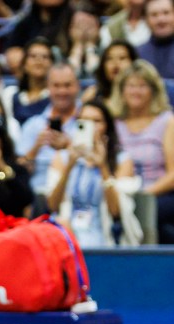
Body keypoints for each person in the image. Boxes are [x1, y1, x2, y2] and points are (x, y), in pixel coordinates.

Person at [47, 99, 138, 247]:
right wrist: (69, 166)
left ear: (107, 126)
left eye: (96, 121)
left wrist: (103, 167)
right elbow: (52, 206)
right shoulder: (62, 158)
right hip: (68, 232)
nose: (91, 127)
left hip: (105, 234)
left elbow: (116, 212)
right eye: (84, 121)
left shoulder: (122, 160)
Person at [112, 60, 174, 243]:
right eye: (131, 86)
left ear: (153, 90)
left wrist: (143, 195)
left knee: (146, 211)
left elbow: (173, 174)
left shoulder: (167, 121)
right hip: (120, 194)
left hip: (158, 192)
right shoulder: (113, 123)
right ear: (122, 90)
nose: (135, 91)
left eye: (142, 86)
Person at [16, 63, 81, 215]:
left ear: (77, 86)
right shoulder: (33, 125)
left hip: (77, 194)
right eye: (56, 86)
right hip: (38, 198)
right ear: (48, 88)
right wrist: (36, 147)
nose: (62, 91)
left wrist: (69, 145)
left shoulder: (89, 119)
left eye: (67, 85)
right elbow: (18, 172)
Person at [1, 37, 54, 126]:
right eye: (33, 56)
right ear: (24, 64)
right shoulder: (10, 94)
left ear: (52, 64)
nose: (39, 60)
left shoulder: (57, 96)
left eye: (45, 57)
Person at [81, 40, 137, 104]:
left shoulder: (140, 95)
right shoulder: (93, 96)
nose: (116, 64)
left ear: (133, 62)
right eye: (109, 58)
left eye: (122, 58)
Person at [137, 0, 174, 79]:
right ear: (145, 20)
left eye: (166, 13)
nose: (161, 20)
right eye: (154, 15)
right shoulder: (138, 54)